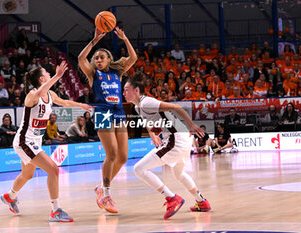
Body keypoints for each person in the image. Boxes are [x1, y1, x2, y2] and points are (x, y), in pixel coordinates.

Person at [0, 62, 91, 222]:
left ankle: (10, 196)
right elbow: (39, 93)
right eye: (47, 74)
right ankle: (55, 211)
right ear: (42, 79)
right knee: (53, 170)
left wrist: (81, 105)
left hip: (34, 141)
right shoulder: (31, 96)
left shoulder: (51, 95)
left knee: (27, 175)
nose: (50, 74)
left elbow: (65, 102)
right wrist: (57, 76)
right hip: (24, 141)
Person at [123, 72, 211, 219]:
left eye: (126, 90)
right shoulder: (139, 107)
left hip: (176, 139)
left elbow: (176, 107)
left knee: (139, 168)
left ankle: (172, 198)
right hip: (180, 138)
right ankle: (201, 201)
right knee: (179, 173)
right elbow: (149, 123)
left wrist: (191, 125)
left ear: (136, 90)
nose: (123, 93)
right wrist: (154, 137)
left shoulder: (146, 103)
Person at [78, 27, 137, 213]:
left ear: (109, 60)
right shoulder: (93, 74)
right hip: (103, 113)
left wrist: (125, 38)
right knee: (111, 155)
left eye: (101, 58)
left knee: (123, 157)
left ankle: (101, 187)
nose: (98, 60)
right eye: (96, 58)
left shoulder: (117, 73)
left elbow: (133, 58)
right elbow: (80, 59)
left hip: (118, 112)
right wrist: (94, 41)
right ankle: (106, 194)